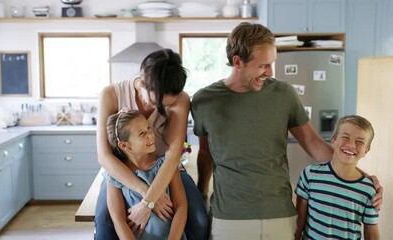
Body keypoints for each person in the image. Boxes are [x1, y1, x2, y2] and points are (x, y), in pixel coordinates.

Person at [190, 22, 382, 239]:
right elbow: (206, 154)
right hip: (230, 217)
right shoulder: (204, 100)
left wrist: (361, 177)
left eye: (272, 63)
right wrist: (202, 194)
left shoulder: (283, 94)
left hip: (279, 215)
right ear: (237, 61)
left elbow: (314, 144)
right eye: (263, 65)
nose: (270, 72)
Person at [96, 48, 209, 240]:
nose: (159, 109)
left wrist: (148, 200)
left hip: (166, 168)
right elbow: (104, 157)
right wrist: (148, 196)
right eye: (156, 103)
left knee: (199, 219)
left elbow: (173, 156)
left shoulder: (180, 100)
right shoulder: (111, 94)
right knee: (104, 221)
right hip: (122, 172)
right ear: (142, 83)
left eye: (167, 105)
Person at [103, 110, 187, 239]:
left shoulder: (166, 166)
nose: (151, 135)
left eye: (148, 128)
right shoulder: (115, 176)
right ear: (125, 145)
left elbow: (181, 207)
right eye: (142, 133)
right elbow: (118, 221)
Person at [295, 115, 379, 240]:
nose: (351, 144)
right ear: (333, 140)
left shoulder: (369, 190)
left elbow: (372, 235)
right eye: (345, 137)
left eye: (360, 141)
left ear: (366, 150)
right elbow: (298, 223)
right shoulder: (310, 175)